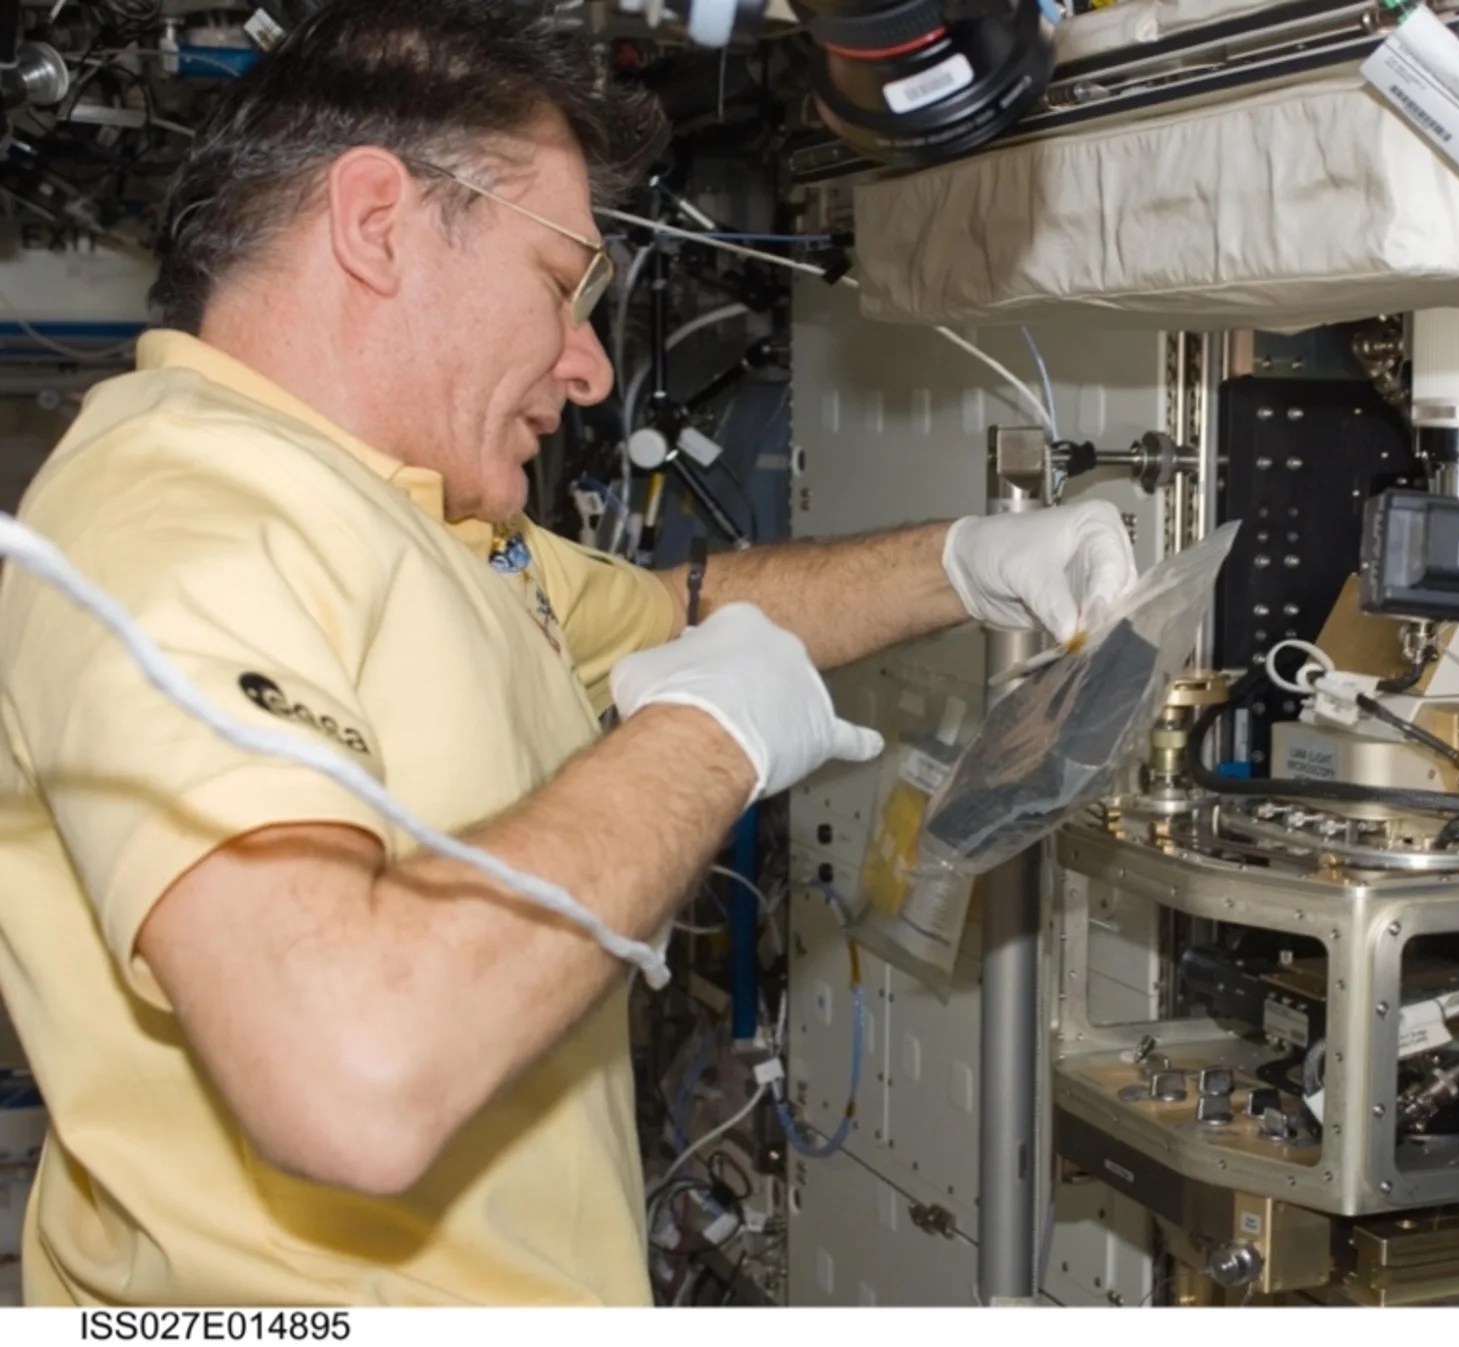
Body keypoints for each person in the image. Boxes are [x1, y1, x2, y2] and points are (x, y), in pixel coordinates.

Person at [0, 0, 1133, 1307]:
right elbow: (352, 1076)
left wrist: (972, 561)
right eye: (560, 288)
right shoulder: (184, 518)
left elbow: (684, 609)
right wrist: (703, 745)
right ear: (377, 225)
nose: (589, 369)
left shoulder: (399, 516)